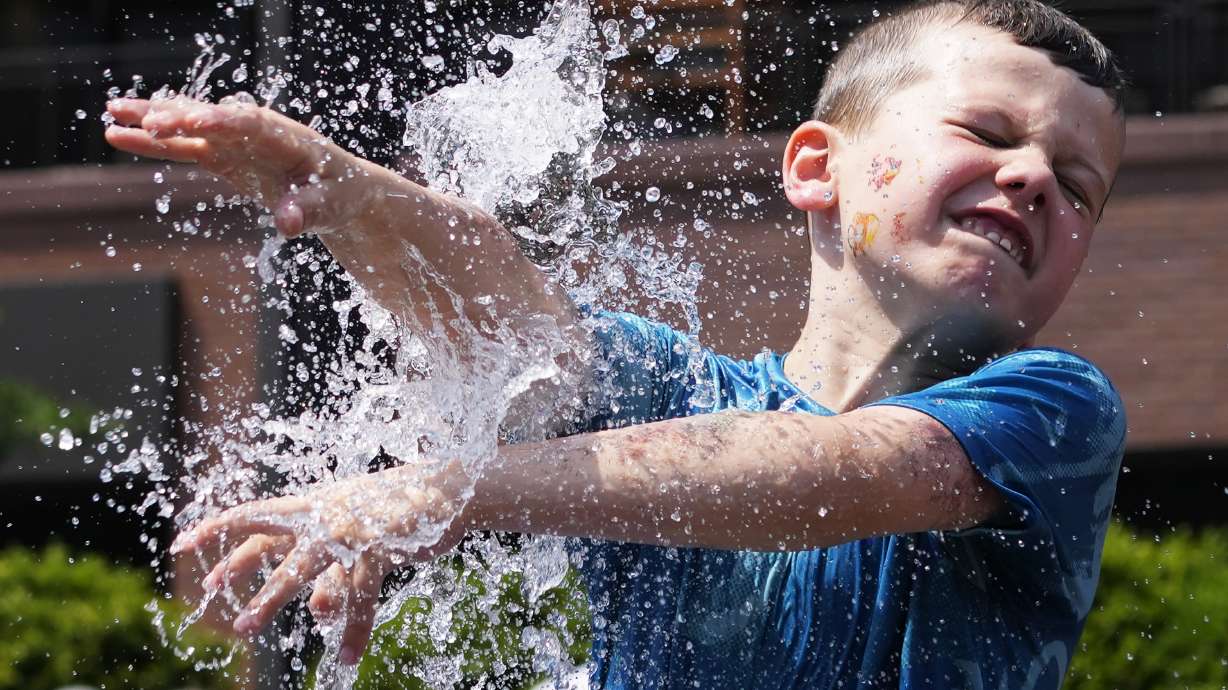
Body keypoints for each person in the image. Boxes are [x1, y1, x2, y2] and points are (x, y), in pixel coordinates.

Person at [106, 0, 1129, 687]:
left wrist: (448, 488)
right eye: (990, 134)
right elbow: (510, 324)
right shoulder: (682, 390)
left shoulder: (1051, 408)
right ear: (817, 168)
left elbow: (836, 473)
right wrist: (358, 199)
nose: (1035, 176)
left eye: (1077, 185)